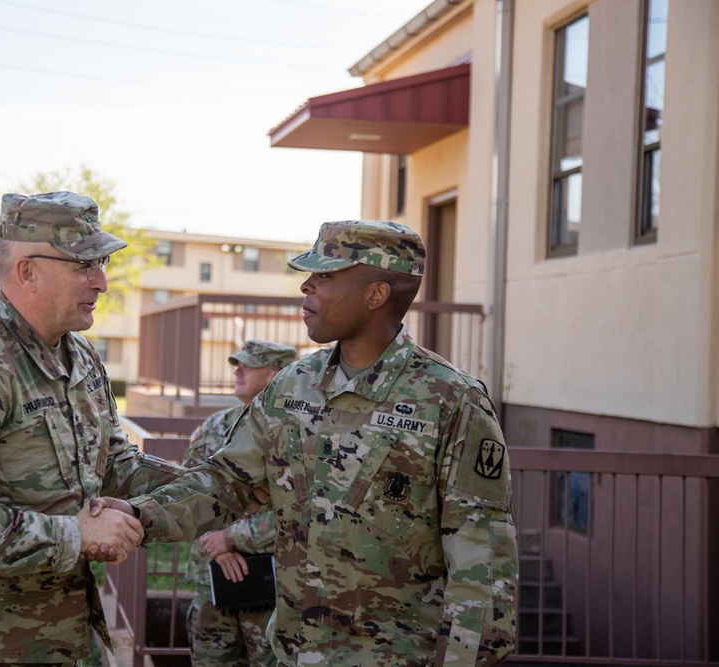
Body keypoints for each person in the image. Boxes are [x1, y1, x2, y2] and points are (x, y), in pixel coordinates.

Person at [98, 220, 518, 665]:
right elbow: (224, 482)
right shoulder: (293, 386)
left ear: (375, 295)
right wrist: (139, 514)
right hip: (295, 653)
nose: (306, 286)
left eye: (325, 277)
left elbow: (482, 573)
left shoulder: (452, 401)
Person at [0, 191, 185, 666]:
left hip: (59, 635)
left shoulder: (81, 357)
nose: (102, 281)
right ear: (27, 271)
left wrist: (215, 488)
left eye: (101, 262)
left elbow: (116, 464)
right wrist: (77, 535)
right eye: (84, 265)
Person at [184, 339, 295, 667]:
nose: (238, 370)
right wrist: (219, 544)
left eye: (249, 364)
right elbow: (190, 492)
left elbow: (305, 508)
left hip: (276, 588)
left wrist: (234, 537)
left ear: (275, 375)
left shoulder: (305, 429)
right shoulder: (216, 425)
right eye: (237, 363)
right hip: (214, 578)